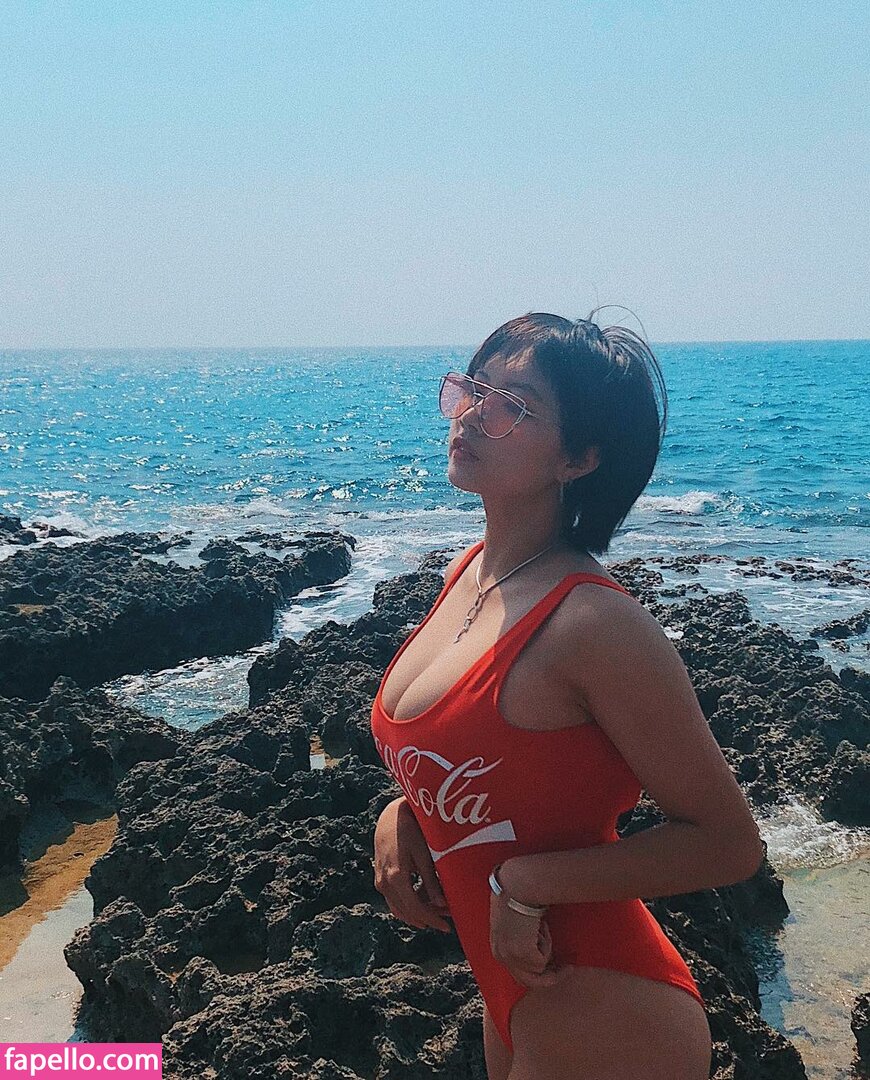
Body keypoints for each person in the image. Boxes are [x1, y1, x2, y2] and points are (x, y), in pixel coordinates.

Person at [370, 311, 763, 1079]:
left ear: (579, 459)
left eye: (510, 405)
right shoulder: (469, 572)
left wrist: (527, 884)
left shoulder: (593, 624)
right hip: (517, 995)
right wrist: (405, 811)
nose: (470, 415)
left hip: (606, 1006)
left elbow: (728, 842)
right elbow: (507, 773)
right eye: (472, 387)